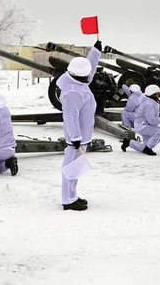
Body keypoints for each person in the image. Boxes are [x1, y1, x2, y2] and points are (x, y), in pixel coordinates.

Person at [57, 40, 102, 211]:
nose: (88, 78)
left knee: (74, 169)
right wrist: (76, 138)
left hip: (81, 137)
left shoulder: (77, 81)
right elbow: (71, 117)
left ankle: (72, 196)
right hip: (76, 138)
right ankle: (68, 200)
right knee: (70, 168)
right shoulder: (74, 92)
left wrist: (96, 52)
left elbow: (88, 69)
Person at [122, 84, 160, 156]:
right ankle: (148, 148)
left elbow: (151, 115)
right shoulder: (148, 104)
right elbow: (152, 120)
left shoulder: (152, 102)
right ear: (152, 94)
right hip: (143, 126)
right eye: (157, 94)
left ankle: (128, 142)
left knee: (144, 146)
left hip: (146, 125)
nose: (159, 95)